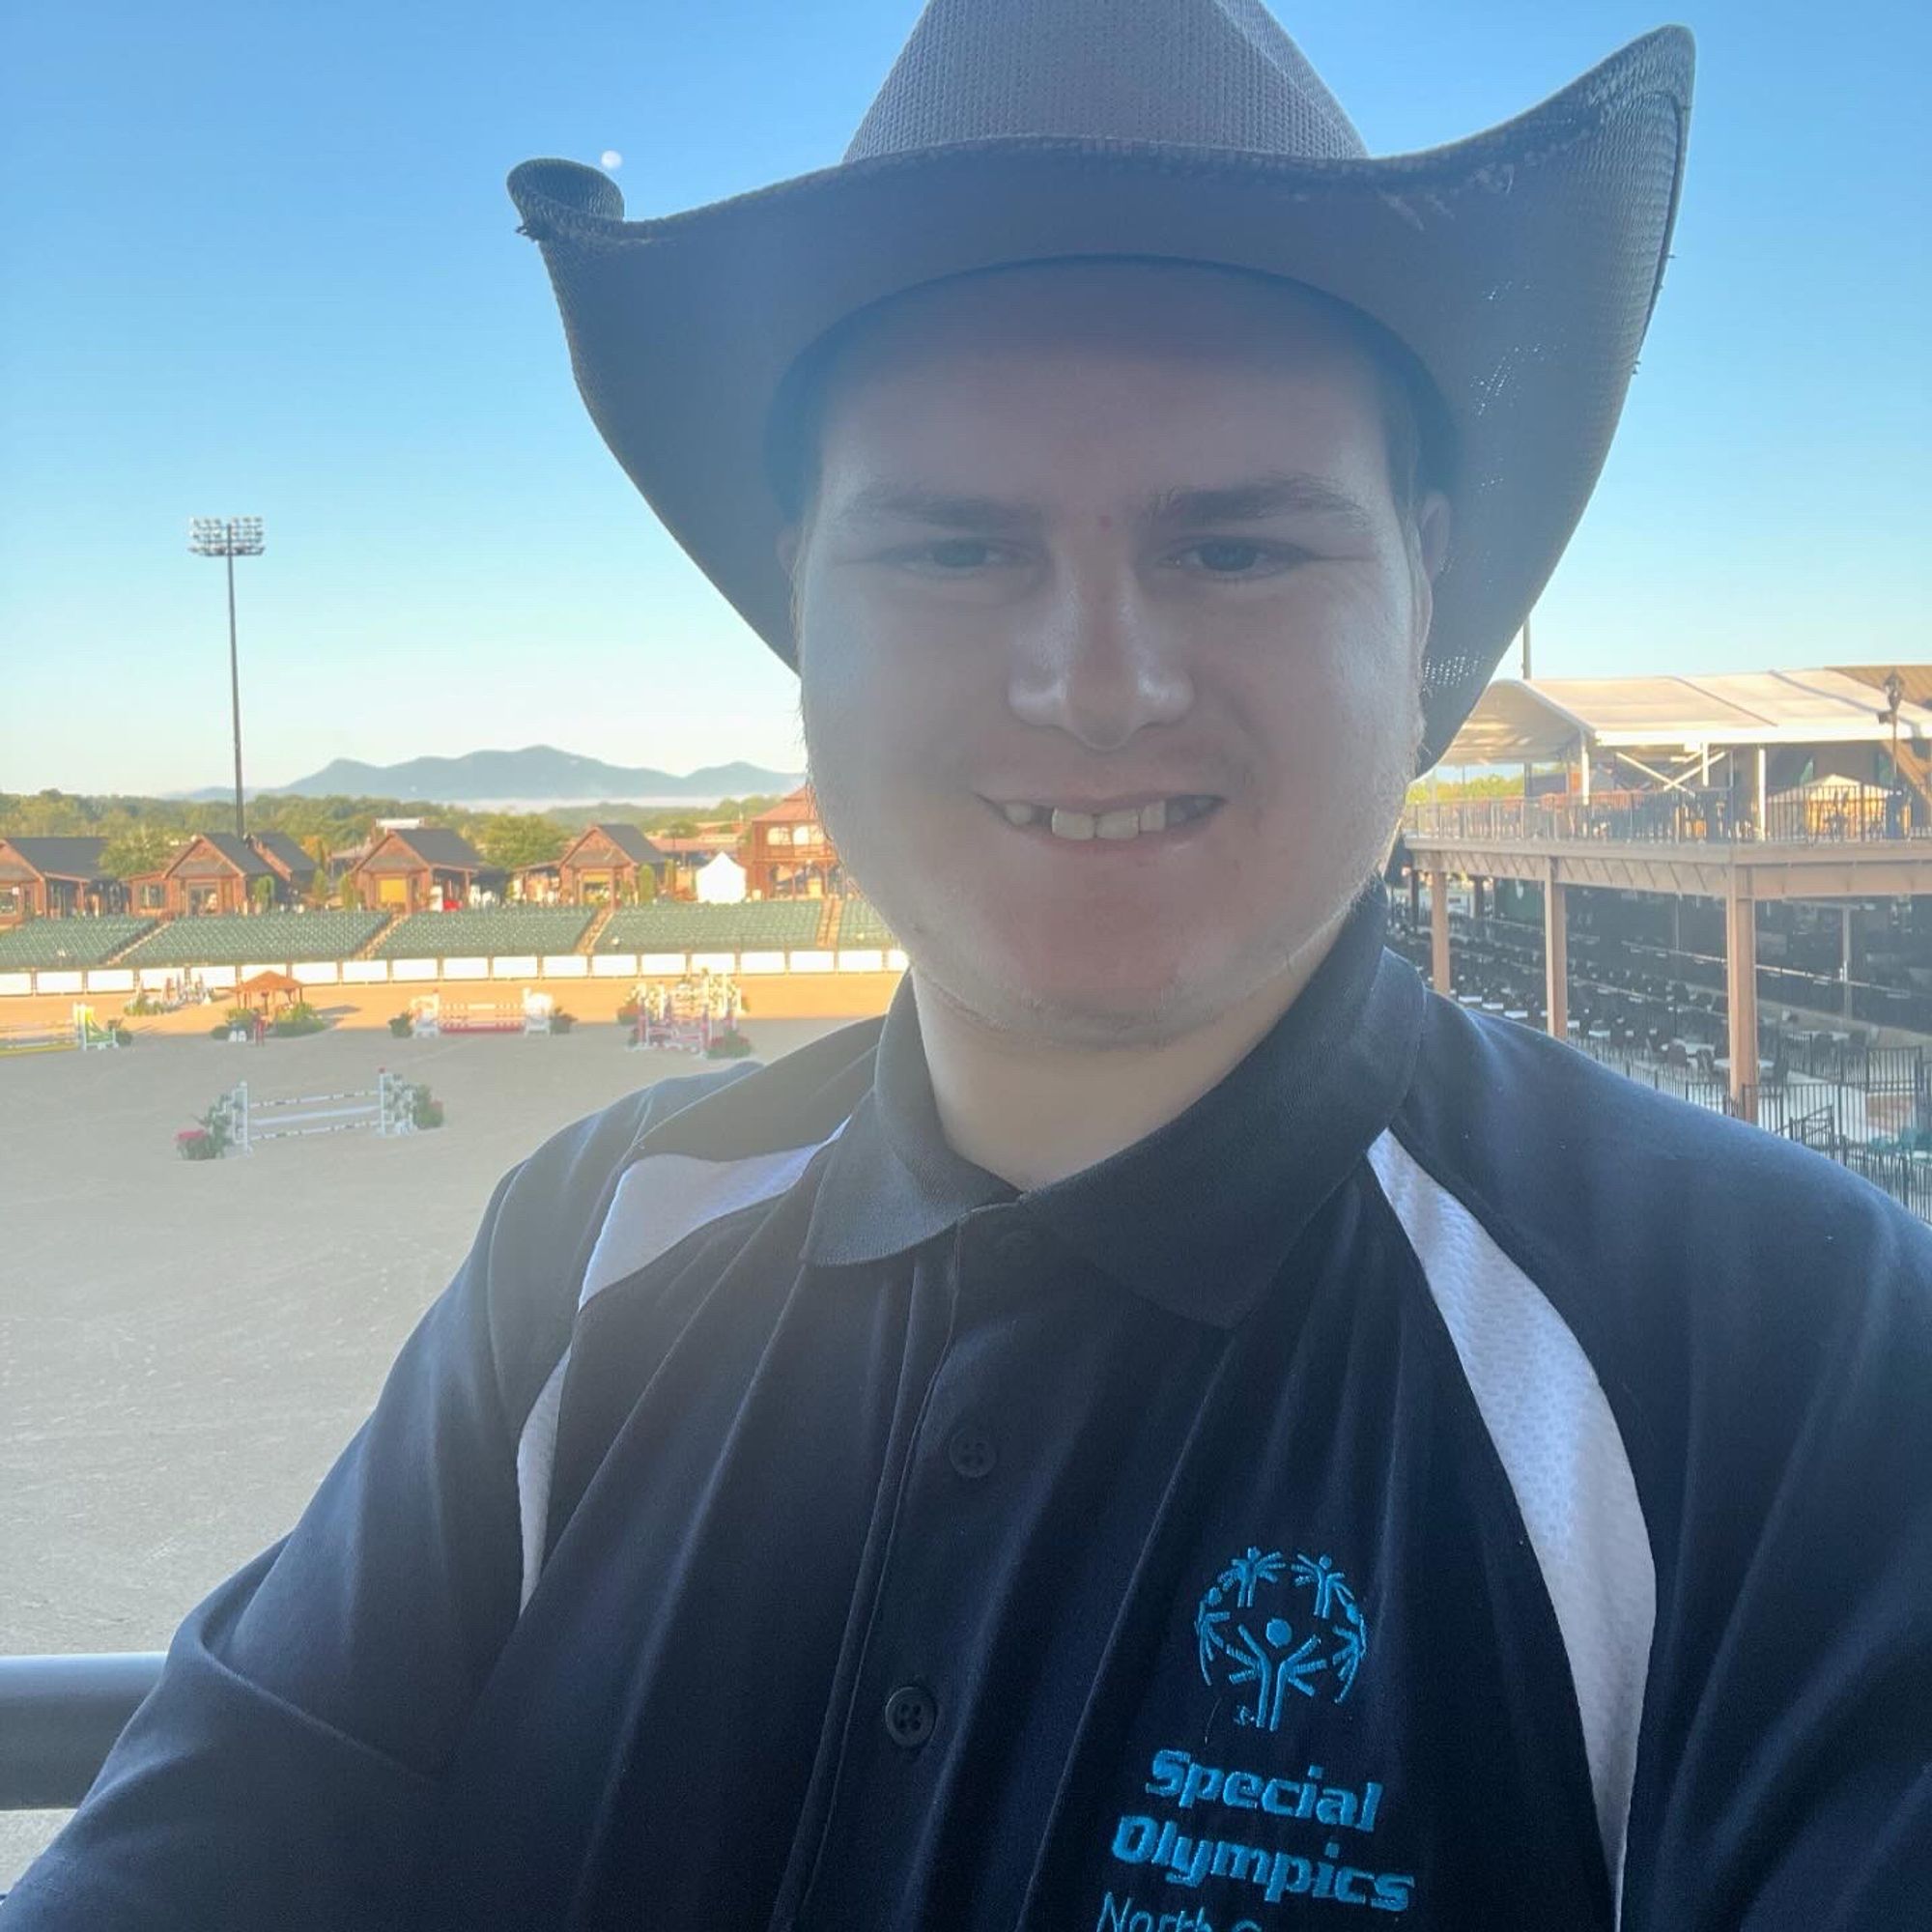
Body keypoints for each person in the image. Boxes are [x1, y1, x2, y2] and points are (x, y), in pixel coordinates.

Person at [10, 4, 1927, 1928]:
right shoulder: (584, 1248)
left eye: (1238, 550)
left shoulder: (1784, 1361)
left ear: (1424, 593)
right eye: (951, 553)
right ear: (799, 608)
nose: (1095, 684)